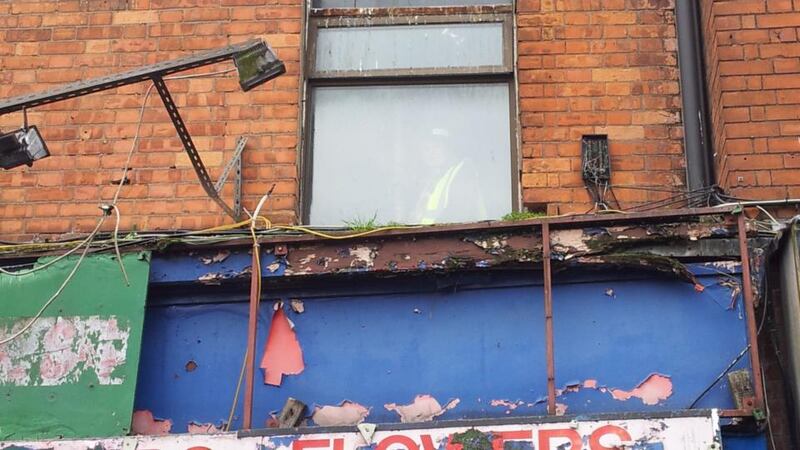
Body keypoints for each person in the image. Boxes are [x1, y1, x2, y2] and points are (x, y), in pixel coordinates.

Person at [416, 128, 487, 225]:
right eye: (426, 149)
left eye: (437, 147)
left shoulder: (463, 170)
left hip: (451, 237)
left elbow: (458, 213)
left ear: (448, 148)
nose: (431, 153)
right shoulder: (434, 179)